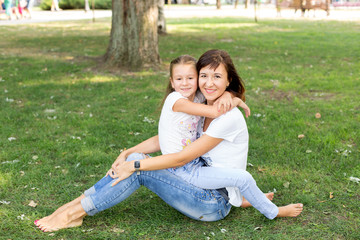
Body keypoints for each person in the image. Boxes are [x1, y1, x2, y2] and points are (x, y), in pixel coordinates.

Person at [35, 50, 302, 232]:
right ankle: (75, 206)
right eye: (204, 76)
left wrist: (135, 165)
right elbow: (170, 140)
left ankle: (72, 214)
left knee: (138, 169)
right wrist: (128, 152)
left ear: (228, 80)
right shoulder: (198, 103)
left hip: (210, 202)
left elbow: (183, 157)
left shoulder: (226, 116)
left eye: (217, 77)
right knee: (134, 160)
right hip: (202, 182)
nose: (208, 83)